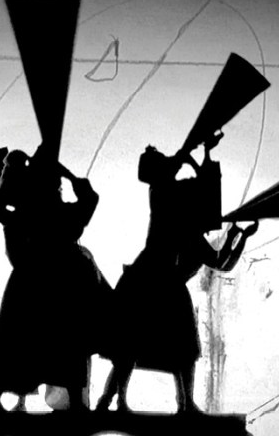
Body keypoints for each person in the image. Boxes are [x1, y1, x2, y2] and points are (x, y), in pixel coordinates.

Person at [96, 141, 257, 413]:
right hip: (150, 277)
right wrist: (197, 155)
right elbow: (220, 260)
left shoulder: (175, 208)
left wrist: (237, 235)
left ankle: (177, 403)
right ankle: (118, 401)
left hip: (153, 278)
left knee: (172, 347)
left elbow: (220, 260)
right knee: (135, 345)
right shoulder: (163, 192)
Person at [0, 148, 112, 412]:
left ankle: (5, 400)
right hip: (63, 289)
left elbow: (15, 255)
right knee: (69, 345)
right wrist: (69, 175)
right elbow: (90, 198)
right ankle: (74, 405)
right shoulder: (61, 215)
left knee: (19, 344)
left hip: (28, 288)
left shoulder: (18, 216)